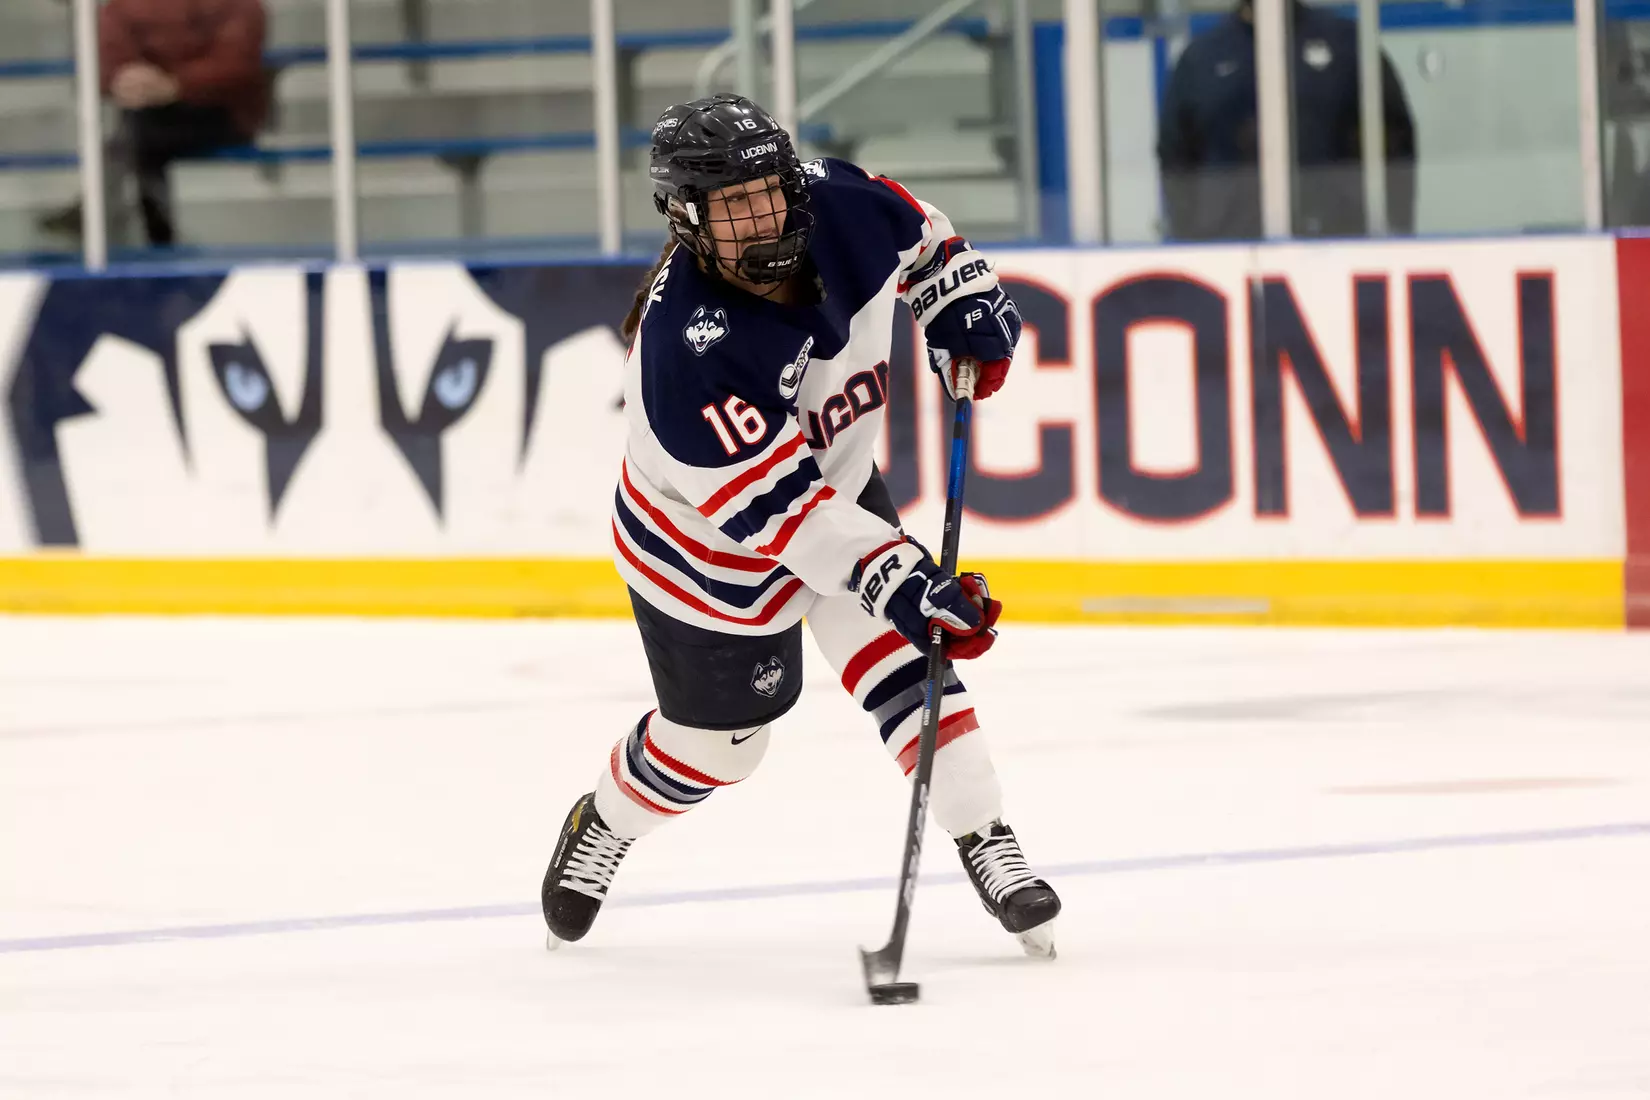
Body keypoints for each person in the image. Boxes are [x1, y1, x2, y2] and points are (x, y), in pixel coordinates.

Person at [540, 93, 1062, 956]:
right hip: (708, 557)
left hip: (839, 497)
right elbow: (787, 518)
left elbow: (927, 241)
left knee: (911, 668)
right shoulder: (683, 355)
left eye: (768, 190)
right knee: (725, 752)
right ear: (686, 220)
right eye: (730, 205)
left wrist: (957, 301)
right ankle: (607, 818)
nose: (759, 216)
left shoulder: (840, 203)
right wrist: (903, 579)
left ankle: (986, 837)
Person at [1157, 0, 1416, 240]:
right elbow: (1175, 158)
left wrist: (1393, 232)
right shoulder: (1201, 59)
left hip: (1336, 246)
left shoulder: (1346, 44)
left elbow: (1395, 142)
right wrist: (1192, 240)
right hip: (1229, 249)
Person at [40, 0, 268, 247]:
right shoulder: (126, 7)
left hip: (223, 111)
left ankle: (98, 211)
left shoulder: (237, 5)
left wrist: (175, 85)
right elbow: (109, 51)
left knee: (136, 136)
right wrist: (126, 77)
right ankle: (152, 235)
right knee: (139, 131)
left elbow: (237, 64)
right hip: (150, 110)